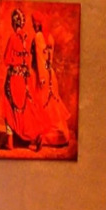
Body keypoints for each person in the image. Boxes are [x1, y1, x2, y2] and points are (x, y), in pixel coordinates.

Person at [0, 8, 49, 150]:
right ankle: (37, 136)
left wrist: (14, 61)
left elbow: (6, 60)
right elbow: (28, 61)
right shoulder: (27, 38)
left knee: (9, 105)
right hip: (25, 79)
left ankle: (10, 142)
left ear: (14, 23)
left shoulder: (12, 38)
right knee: (27, 108)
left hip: (13, 77)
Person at [29, 11, 70, 146]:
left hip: (41, 76)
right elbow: (49, 60)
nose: (32, 25)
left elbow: (40, 60)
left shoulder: (38, 37)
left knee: (41, 105)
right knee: (50, 108)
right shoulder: (50, 37)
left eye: (33, 22)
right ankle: (49, 136)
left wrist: (41, 78)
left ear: (37, 23)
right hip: (50, 75)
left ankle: (43, 137)